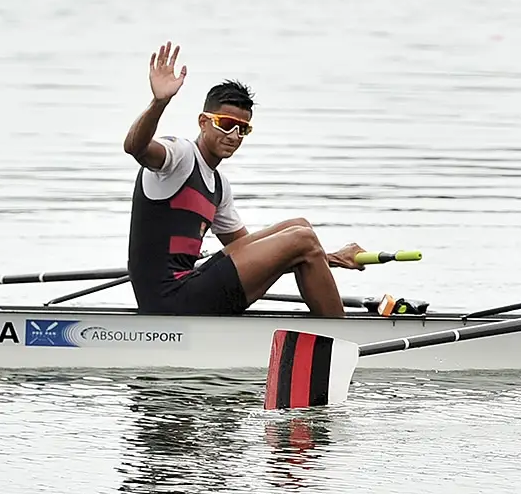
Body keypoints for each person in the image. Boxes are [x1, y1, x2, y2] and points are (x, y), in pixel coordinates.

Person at [123, 41, 368, 317]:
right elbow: (135, 147)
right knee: (302, 238)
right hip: (170, 299)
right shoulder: (179, 155)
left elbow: (260, 255)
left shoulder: (218, 187)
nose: (234, 136)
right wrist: (159, 102)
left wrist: (331, 257)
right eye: (226, 125)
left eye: (243, 129)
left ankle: (329, 323)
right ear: (203, 122)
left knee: (298, 227)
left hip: (190, 288)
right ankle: (343, 337)